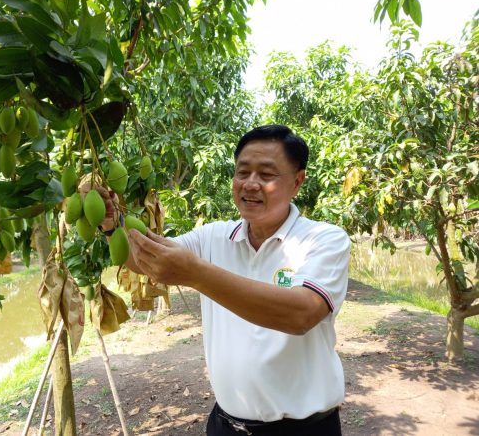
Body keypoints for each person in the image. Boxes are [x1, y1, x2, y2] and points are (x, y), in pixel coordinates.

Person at [102, 125, 350, 435]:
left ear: (297, 181)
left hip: (304, 429)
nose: (251, 184)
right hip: (226, 425)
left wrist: (197, 274)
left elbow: (301, 313)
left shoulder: (324, 239)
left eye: (267, 175)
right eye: (242, 172)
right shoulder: (213, 236)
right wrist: (113, 224)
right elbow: (147, 260)